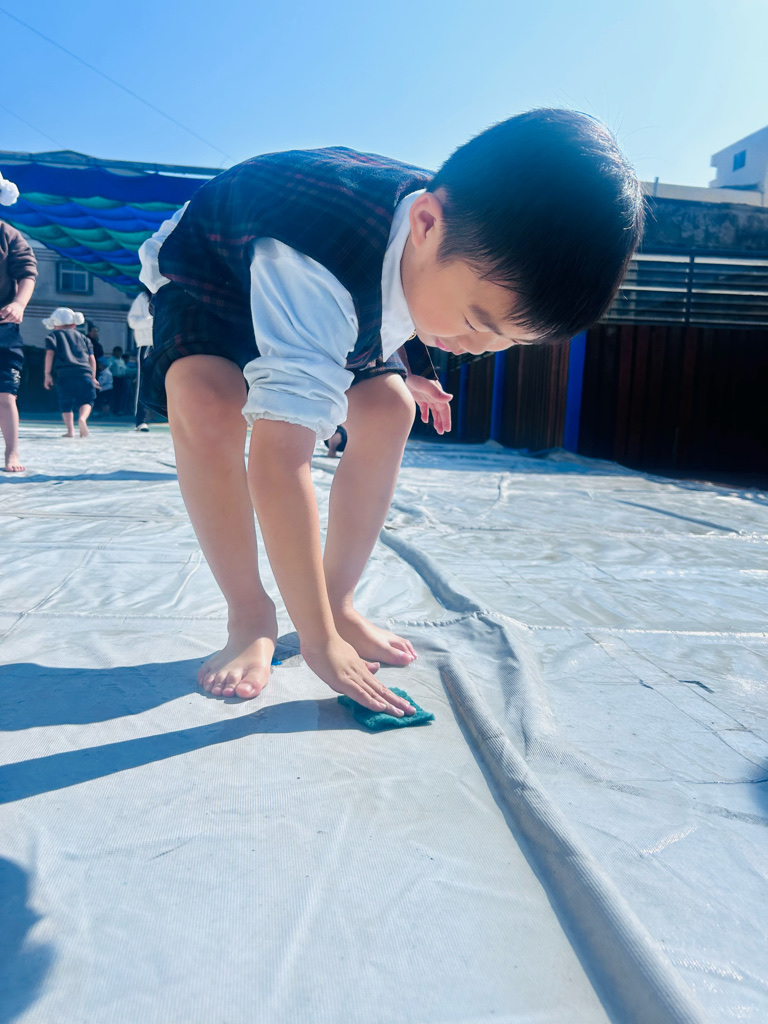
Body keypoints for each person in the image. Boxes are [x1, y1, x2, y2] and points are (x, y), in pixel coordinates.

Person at [138, 109, 644, 717]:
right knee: (206, 400)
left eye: (508, 340)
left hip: (340, 282)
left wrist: (409, 369)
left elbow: (403, 294)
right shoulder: (320, 268)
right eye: (476, 323)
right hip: (214, 276)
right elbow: (278, 462)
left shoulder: (452, 237)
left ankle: (338, 600)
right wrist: (317, 643)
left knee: (388, 407)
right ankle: (249, 614)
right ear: (426, 223)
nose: (479, 348)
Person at [0, 173, 37, 472]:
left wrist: (19, 303)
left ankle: (12, 451)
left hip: (3, 327)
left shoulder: (8, 234)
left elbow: (27, 272)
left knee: (5, 394)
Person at [42, 307, 98, 438]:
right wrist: (93, 376)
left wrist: (47, 374)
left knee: (66, 403)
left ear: (55, 324)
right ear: (74, 324)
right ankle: (82, 419)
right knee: (87, 399)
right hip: (84, 373)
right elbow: (91, 358)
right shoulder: (84, 337)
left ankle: (70, 431)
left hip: (64, 374)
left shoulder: (53, 336)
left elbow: (49, 354)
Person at [127, 288, 153, 431]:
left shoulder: (169, 293)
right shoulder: (143, 297)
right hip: (147, 343)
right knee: (144, 381)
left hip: (167, 342)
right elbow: (132, 321)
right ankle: (141, 420)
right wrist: (152, 321)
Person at [106, 346, 130, 415]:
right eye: (117, 352)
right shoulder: (111, 360)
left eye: (120, 352)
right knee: (115, 395)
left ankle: (120, 410)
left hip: (121, 378)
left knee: (121, 395)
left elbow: (125, 369)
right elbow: (108, 369)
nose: (119, 354)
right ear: (114, 352)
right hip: (114, 379)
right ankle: (114, 410)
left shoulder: (121, 360)